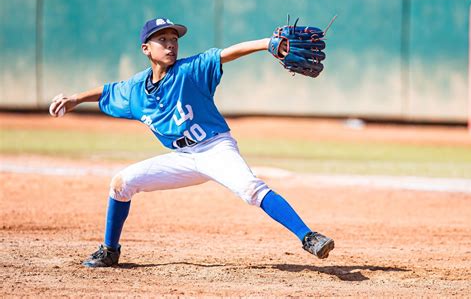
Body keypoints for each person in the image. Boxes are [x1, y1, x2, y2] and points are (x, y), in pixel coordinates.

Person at [49, 17, 334, 268]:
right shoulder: (136, 89)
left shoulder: (190, 70)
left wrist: (266, 43)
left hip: (215, 148)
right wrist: (75, 98)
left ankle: (308, 237)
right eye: (162, 39)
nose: (171, 45)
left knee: (250, 188)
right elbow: (109, 90)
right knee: (121, 183)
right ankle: (110, 251)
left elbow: (227, 54)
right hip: (181, 158)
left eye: (174, 39)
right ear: (146, 49)